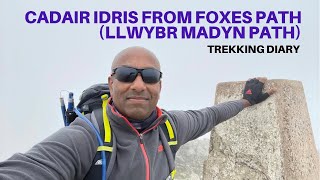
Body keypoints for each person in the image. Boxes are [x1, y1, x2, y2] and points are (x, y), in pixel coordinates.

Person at [0, 46, 274, 180]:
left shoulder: (171, 126)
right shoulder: (87, 136)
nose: (139, 85)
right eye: (127, 74)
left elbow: (211, 115)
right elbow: (27, 170)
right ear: (111, 83)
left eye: (150, 76)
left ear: (160, 85)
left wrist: (246, 101)